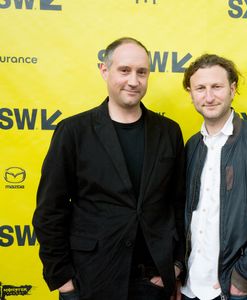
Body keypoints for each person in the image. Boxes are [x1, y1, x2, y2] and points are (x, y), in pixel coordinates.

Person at [32, 37, 185, 300]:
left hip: (153, 283)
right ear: (104, 70)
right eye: (124, 70)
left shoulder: (169, 132)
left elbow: (179, 204)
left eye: (142, 72)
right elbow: (49, 211)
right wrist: (63, 280)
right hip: (90, 281)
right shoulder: (73, 132)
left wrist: (176, 266)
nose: (133, 80)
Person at [180, 54, 247, 300]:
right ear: (191, 94)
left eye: (217, 87)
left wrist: (243, 277)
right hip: (190, 288)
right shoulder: (191, 147)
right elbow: (183, 215)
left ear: (232, 89)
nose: (209, 96)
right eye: (200, 88)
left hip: (238, 290)